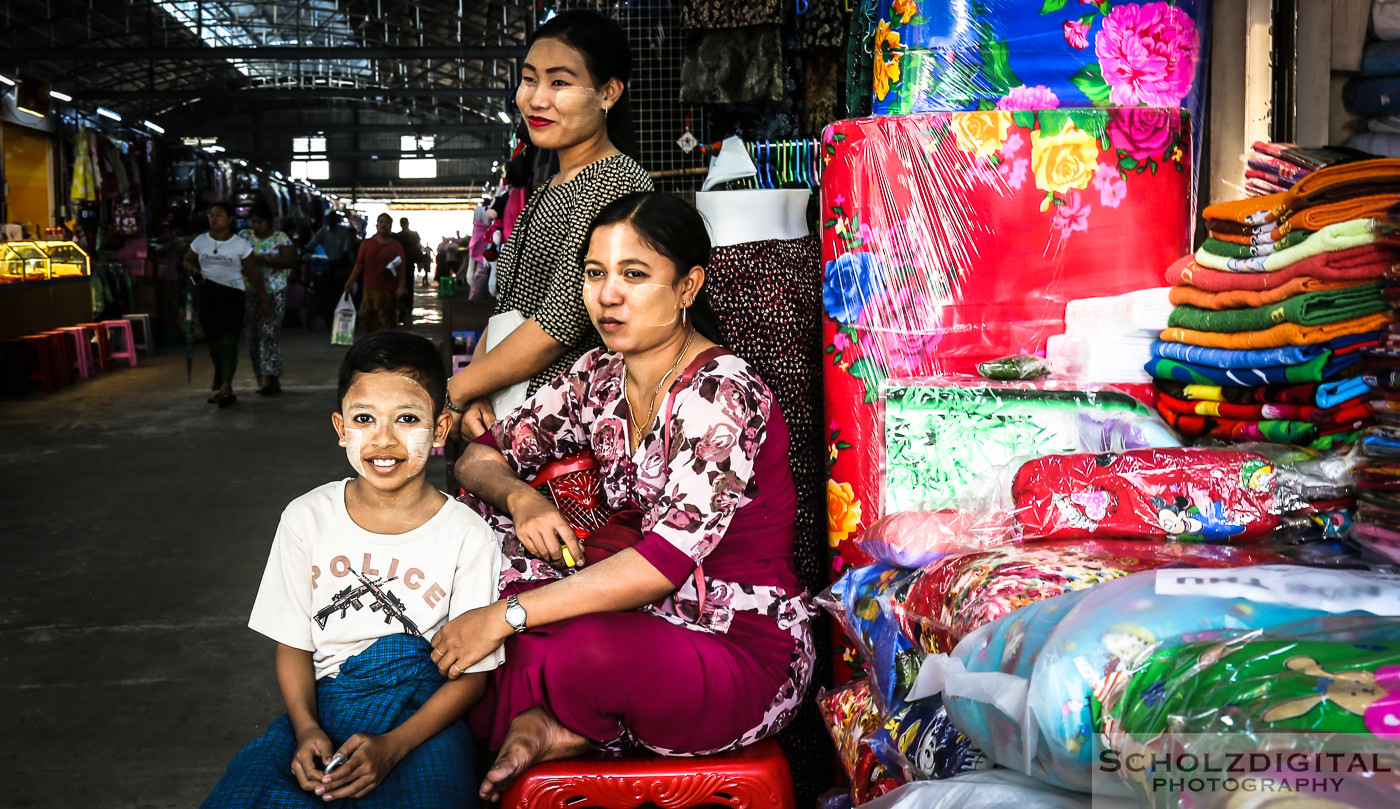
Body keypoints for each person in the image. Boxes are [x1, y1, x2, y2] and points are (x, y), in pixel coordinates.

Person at [431, 193, 814, 801]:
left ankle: (553, 720)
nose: (608, 295)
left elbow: (662, 566)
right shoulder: (597, 376)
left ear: (687, 287)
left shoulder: (720, 393)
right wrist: (521, 500)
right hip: (635, 616)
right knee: (472, 596)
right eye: (594, 273)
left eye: (634, 275)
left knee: (566, 648)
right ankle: (555, 724)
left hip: (735, 644)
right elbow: (479, 457)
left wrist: (505, 617)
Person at [202, 332, 504, 808]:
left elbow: (472, 676)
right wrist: (305, 730)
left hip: (423, 718)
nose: (384, 439)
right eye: (365, 419)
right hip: (323, 709)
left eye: (407, 419)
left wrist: (394, 746)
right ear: (341, 428)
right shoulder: (305, 518)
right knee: (246, 795)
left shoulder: (469, 534)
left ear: (440, 429)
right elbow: (293, 644)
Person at [443, 9, 654, 440]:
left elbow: (560, 323)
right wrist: (480, 389)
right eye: (529, 78)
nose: (537, 99)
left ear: (608, 93)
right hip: (521, 405)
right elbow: (509, 309)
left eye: (560, 82)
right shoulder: (552, 184)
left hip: (569, 420)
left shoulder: (614, 181)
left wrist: (458, 389)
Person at [184, 201, 266, 408]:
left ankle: (226, 385)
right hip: (208, 294)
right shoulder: (200, 241)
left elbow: (253, 273)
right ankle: (221, 383)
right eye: (211, 215)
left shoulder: (241, 245)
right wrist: (193, 271)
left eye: (219, 215)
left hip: (232, 295)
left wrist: (263, 298)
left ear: (231, 219)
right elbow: (187, 261)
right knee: (214, 342)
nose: (214, 218)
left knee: (229, 342)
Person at [240, 200, 298, 396]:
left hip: (275, 292)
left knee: (269, 334)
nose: (255, 226)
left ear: (269, 222)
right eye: (253, 222)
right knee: (253, 337)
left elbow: (290, 261)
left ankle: (268, 378)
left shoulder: (281, 238)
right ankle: (268, 378)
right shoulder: (244, 237)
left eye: (259, 222)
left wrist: (265, 260)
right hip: (250, 292)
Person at [345, 213, 407, 334]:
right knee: (370, 324)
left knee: (387, 326)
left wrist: (401, 286)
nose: (384, 225)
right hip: (369, 291)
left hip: (388, 293)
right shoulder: (366, 244)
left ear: (391, 226)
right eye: (381, 222)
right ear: (377, 225)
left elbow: (402, 267)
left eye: (387, 222)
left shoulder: (396, 246)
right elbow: (359, 264)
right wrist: (350, 281)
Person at [307, 212, 357, 324]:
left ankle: (345, 313)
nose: (332, 220)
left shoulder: (344, 231)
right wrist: (304, 253)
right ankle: (324, 309)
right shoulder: (323, 231)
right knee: (321, 285)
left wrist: (340, 259)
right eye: (330, 218)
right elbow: (312, 243)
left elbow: (346, 248)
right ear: (327, 219)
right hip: (326, 265)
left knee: (342, 288)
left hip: (341, 265)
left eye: (334, 218)